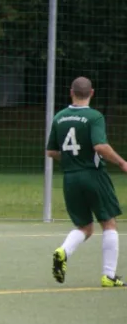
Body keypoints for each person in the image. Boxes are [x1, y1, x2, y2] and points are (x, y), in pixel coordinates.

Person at [46, 76, 127, 287]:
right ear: (92, 93)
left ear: (71, 92)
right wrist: (121, 162)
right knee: (108, 222)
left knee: (84, 226)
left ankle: (63, 250)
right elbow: (100, 146)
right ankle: (108, 276)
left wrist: (73, 159)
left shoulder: (59, 117)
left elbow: (51, 151)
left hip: (71, 178)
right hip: (93, 175)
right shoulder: (94, 117)